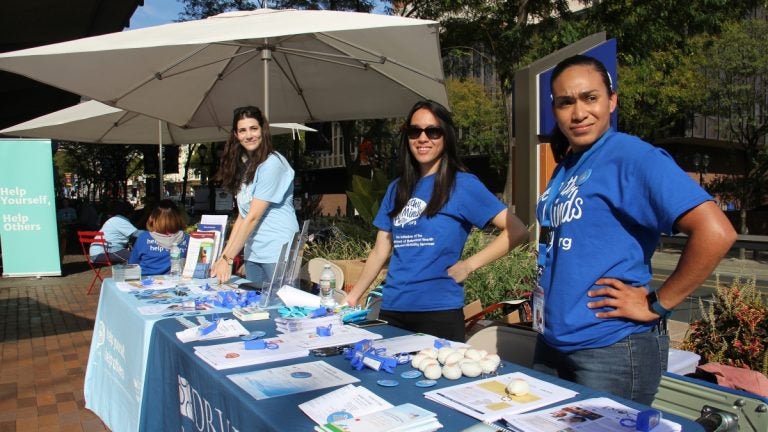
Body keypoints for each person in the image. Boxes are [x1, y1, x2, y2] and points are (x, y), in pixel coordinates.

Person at [533, 54, 736, 405]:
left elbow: (716, 231)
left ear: (612, 101)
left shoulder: (631, 156)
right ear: (555, 110)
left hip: (609, 348)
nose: (578, 112)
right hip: (553, 342)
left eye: (590, 98)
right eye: (566, 102)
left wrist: (657, 303)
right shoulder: (569, 164)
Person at [342, 100, 529, 341]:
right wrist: (353, 296)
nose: (422, 138)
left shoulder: (463, 185)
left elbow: (518, 230)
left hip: (438, 312)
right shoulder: (396, 189)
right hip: (393, 308)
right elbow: (380, 250)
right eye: (414, 131)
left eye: (433, 131)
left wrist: (469, 265)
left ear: (446, 136)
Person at [209, 106, 299, 286]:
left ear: (263, 130)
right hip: (254, 251)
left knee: (281, 308)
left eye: (253, 128)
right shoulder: (249, 167)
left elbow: (253, 216)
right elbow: (242, 217)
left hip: (277, 250)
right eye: (242, 130)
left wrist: (227, 259)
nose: (249, 135)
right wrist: (223, 256)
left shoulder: (272, 164)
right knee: (255, 309)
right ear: (236, 135)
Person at [129, 199, 189, 275]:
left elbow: (132, 264)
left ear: (153, 218)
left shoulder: (144, 238)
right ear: (178, 218)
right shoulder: (186, 239)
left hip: (146, 282)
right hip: (174, 281)